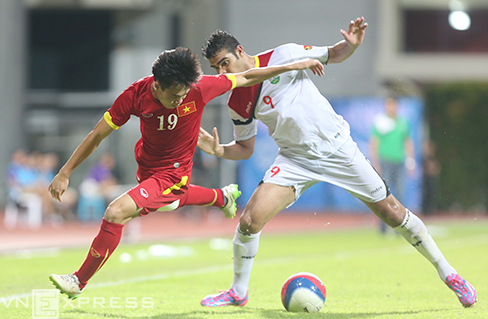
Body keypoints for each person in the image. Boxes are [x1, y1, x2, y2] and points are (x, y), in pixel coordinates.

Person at [198, 17, 476, 308]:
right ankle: (238, 292)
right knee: (249, 220)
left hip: (338, 150)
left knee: (394, 213)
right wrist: (219, 151)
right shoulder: (235, 100)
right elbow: (244, 149)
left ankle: (450, 274)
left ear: (240, 51)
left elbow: (335, 53)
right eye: (216, 68)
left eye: (224, 63)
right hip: (295, 159)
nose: (221, 71)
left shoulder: (284, 54)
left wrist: (351, 45)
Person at [47, 47, 324, 300]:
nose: (180, 102)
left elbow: (249, 77)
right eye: (174, 97)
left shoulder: (200, 88)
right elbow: (97, 135)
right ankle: (222, 197)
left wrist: (294, 66)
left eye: (183, 96)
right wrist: (65, 171)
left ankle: (77, 281)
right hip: (148, 164)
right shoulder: (135, 95)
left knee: (116, 212)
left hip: (174, 171)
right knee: (170, 201)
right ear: (157, 85)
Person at [369, 97, 416, 233]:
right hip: (385, 161)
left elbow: (407, 142)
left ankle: (399, 228)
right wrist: (375, 162)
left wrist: (410, 161)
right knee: (384, 195)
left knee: (400, 194)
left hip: (399, 161)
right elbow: (374, 142)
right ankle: (383, 228)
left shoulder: (402, 122)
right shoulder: (380, 122)